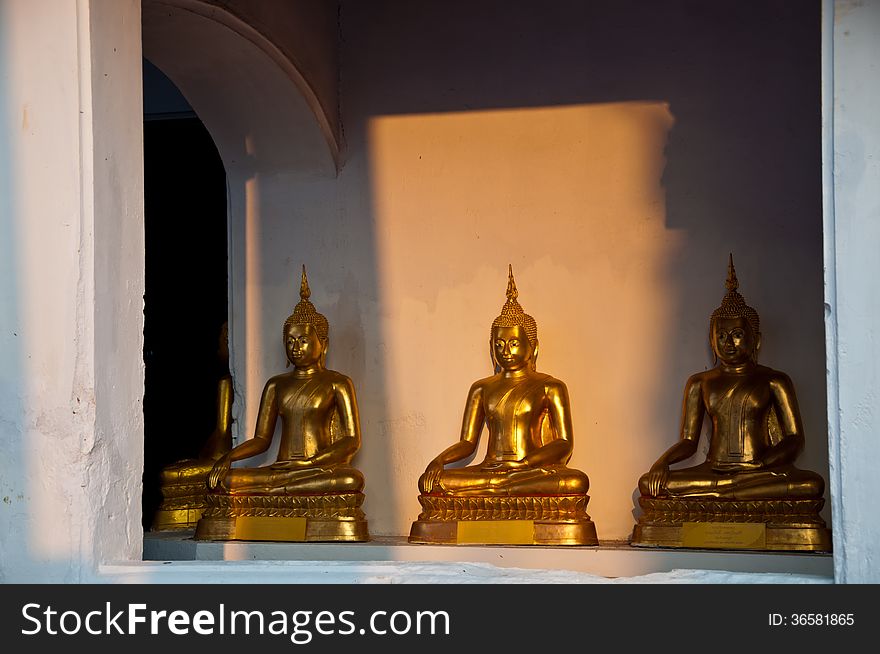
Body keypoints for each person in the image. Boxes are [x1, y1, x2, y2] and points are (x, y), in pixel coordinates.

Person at [639, 255, 824, 501]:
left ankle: (719, 494)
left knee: (812, 485)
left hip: (759, 471)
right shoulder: (700, 382)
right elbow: (688, 441)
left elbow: (794, 440)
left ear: (756, 340)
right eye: (721, 335)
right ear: (711, 340)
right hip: (714, 470)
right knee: (649, 484)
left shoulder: (774, 380)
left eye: (737, 334)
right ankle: (725, 491)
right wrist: (661, 463)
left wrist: (762, 463)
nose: (728, 342)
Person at [418, 265, 589, 497]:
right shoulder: (482, 388)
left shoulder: (550, 386)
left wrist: (525, 464)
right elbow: (467, 443)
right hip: (490, 470)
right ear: (492, 348)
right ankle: (501, 489)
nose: (506, 350)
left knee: (576, 482)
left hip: (529, 470)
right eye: (499, 345)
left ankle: (499, 490)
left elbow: (564, 444)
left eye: (514, 343)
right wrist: (438, 461)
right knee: (433, 484)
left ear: (533, 348)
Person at [206, 266, 364, 495]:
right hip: (280, 469)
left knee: (351, 480)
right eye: (290, 341)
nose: (295, 348)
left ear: (324, 345)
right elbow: (261, 439)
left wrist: (310, 463)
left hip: (316, 469)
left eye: (303, 340)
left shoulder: (337, 383)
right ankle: (279, 489)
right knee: (226, 481)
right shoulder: (276, 385)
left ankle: (276, 491)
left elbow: (351, 440)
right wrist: (229, 457)